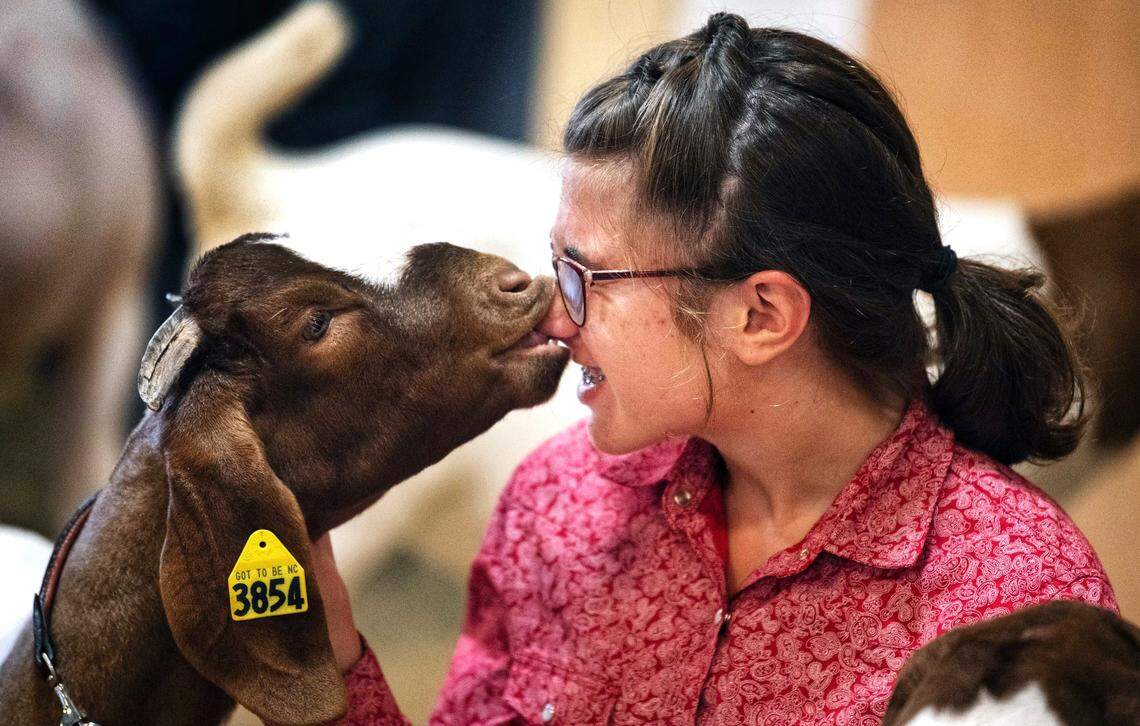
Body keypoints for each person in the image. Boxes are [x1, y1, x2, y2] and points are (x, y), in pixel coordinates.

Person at [311, 13, 1116, 724]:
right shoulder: (559, 502)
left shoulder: (1010, 598)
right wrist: (331, 659)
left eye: (584, 279)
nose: (554, 321)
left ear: (761, 316)